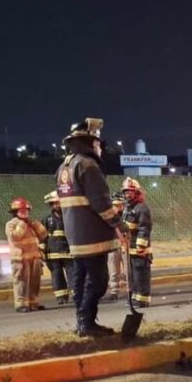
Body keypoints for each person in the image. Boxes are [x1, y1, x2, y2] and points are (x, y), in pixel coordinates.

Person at [55, 117, 123, 337]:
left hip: (75, 235)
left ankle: (81, 322)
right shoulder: (88, 165)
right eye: (97, 143)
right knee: (98, 281)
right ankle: (87, 323)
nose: (99, 147)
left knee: (81, 279)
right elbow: (101, 202)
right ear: (89, 142)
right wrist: (117, 223)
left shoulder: (64, 167)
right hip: (93, 235)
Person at [4, 197, 47, 313]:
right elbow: (15, 237)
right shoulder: (11, 224)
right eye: (21, 211)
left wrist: (36, 226)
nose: (25, 213)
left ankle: (33, 303)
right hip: (20, 260)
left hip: (34, 259)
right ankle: (21, 304)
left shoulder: (31, 224)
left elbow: (43, 235)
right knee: (21, 282)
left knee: (35, 283)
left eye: (26, 210)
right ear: (15, 212)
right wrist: (22, 225)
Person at [121, 177, 153, 307]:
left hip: (140, 249)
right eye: (126, 192)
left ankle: (143, 299)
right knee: (133, 275)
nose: (127, 194)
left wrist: (140, 245)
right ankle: (135, 296)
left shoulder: (141, 208)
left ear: (136, 192)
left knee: (141, 274)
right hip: (130, 248)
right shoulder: (127, 208)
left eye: (130, 191)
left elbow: (144, 228)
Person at [40, 191, 73, 306]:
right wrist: (42, 251)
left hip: (68, 252)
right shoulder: (46, 220)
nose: (56, 205)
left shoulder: (70, 217)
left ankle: (76, 294)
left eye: (58, 203)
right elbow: (42, 237)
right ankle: (61, 297)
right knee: (57, 276)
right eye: (54, 204)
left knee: (73, 275)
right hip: (53, 253)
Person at [107, 194, 127, 301]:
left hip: (125, 245)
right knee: (113, 270)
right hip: (113, 246)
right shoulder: (108, 217)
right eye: (116, 205)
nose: (118, 207)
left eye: (120, 205)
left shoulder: (126, 215)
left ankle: (131, 289)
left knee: (128, 270)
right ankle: (114, 291)